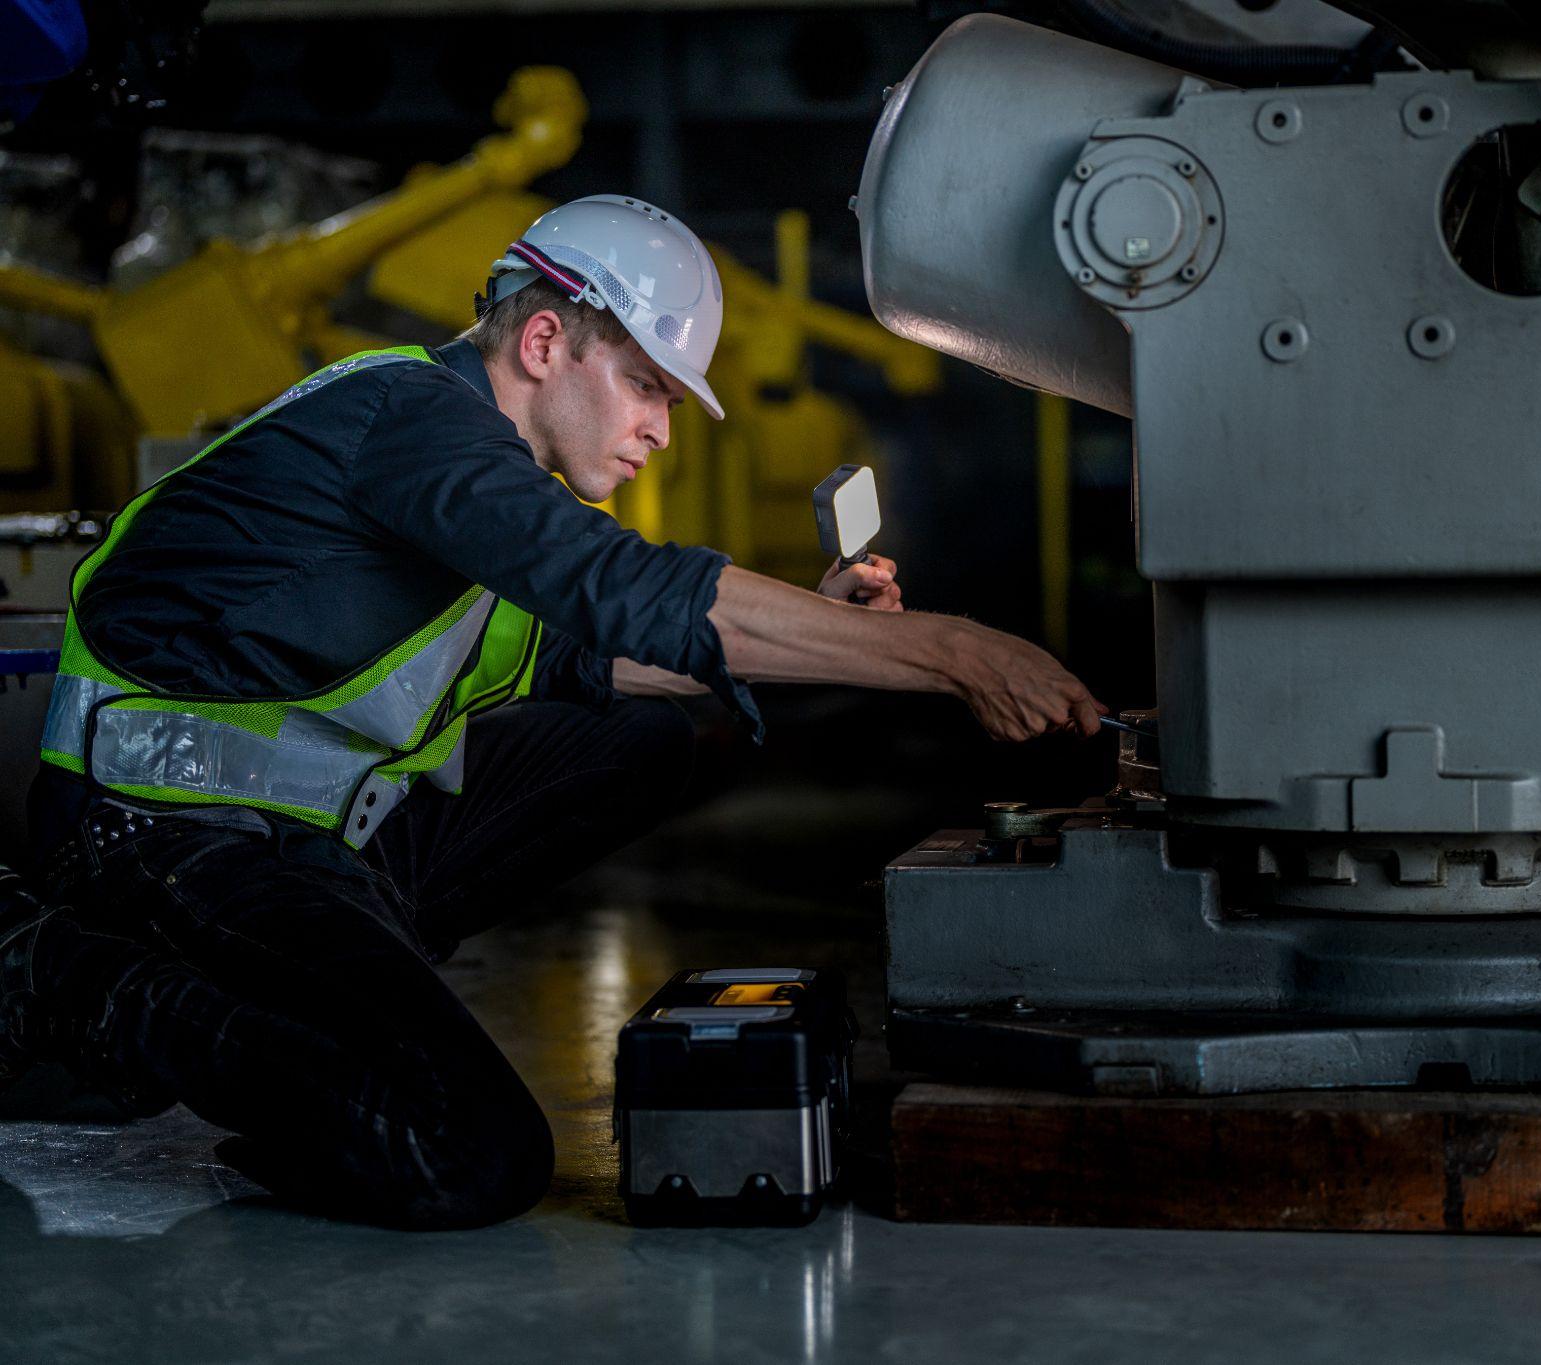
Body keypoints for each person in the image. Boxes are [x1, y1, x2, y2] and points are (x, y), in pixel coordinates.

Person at [0, 194, 1103, 1228]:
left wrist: (820, 635)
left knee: (645, 740)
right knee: (468, 1152)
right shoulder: (414, 421)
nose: (660, 429)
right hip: (152, 829)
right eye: (646, 387)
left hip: (305, 836)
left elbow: (587, 652)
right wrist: (952, 653)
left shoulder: (468, 481)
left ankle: (344, 990)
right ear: (542, 344)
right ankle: (58, 978)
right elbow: (623, 588)